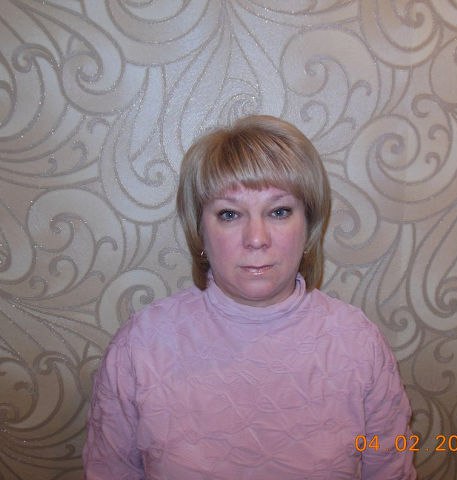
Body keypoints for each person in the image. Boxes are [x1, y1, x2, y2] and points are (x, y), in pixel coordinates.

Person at [83, 115, 417, 479]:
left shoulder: (359, 345)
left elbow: (390, 470)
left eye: (279, 211)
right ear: (199, 231)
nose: (256, 238)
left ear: (308, 227)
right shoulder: (140, 347)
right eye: (229, 214)